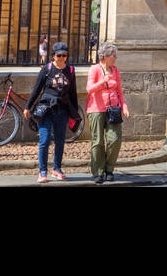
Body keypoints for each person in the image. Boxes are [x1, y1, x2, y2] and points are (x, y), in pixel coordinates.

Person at [24, 42, 79, 182]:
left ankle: (56, 169)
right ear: (53, 56)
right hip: (46, 110)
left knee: (60, 141)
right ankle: (42, 171)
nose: (61, 58)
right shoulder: (47, 69)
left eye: (64, 55)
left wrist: (75, 113)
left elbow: (73, 93)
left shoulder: (71, 71)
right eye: (58, 55)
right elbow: (36, 89)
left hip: (63, 111)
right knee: (45, 140)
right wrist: (28, 106)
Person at [87, 42, 129, 183]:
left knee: (115, 139)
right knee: (98, 141)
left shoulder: (115, 71)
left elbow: (119, 91)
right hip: (96, 109)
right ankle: (98, 171)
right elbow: (89, 89)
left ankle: (109, 168)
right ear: (105, 56)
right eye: (113, 55)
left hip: (114, 109)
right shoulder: (94, 69)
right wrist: (101, 82)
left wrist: (124, 106)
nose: (115, 58)